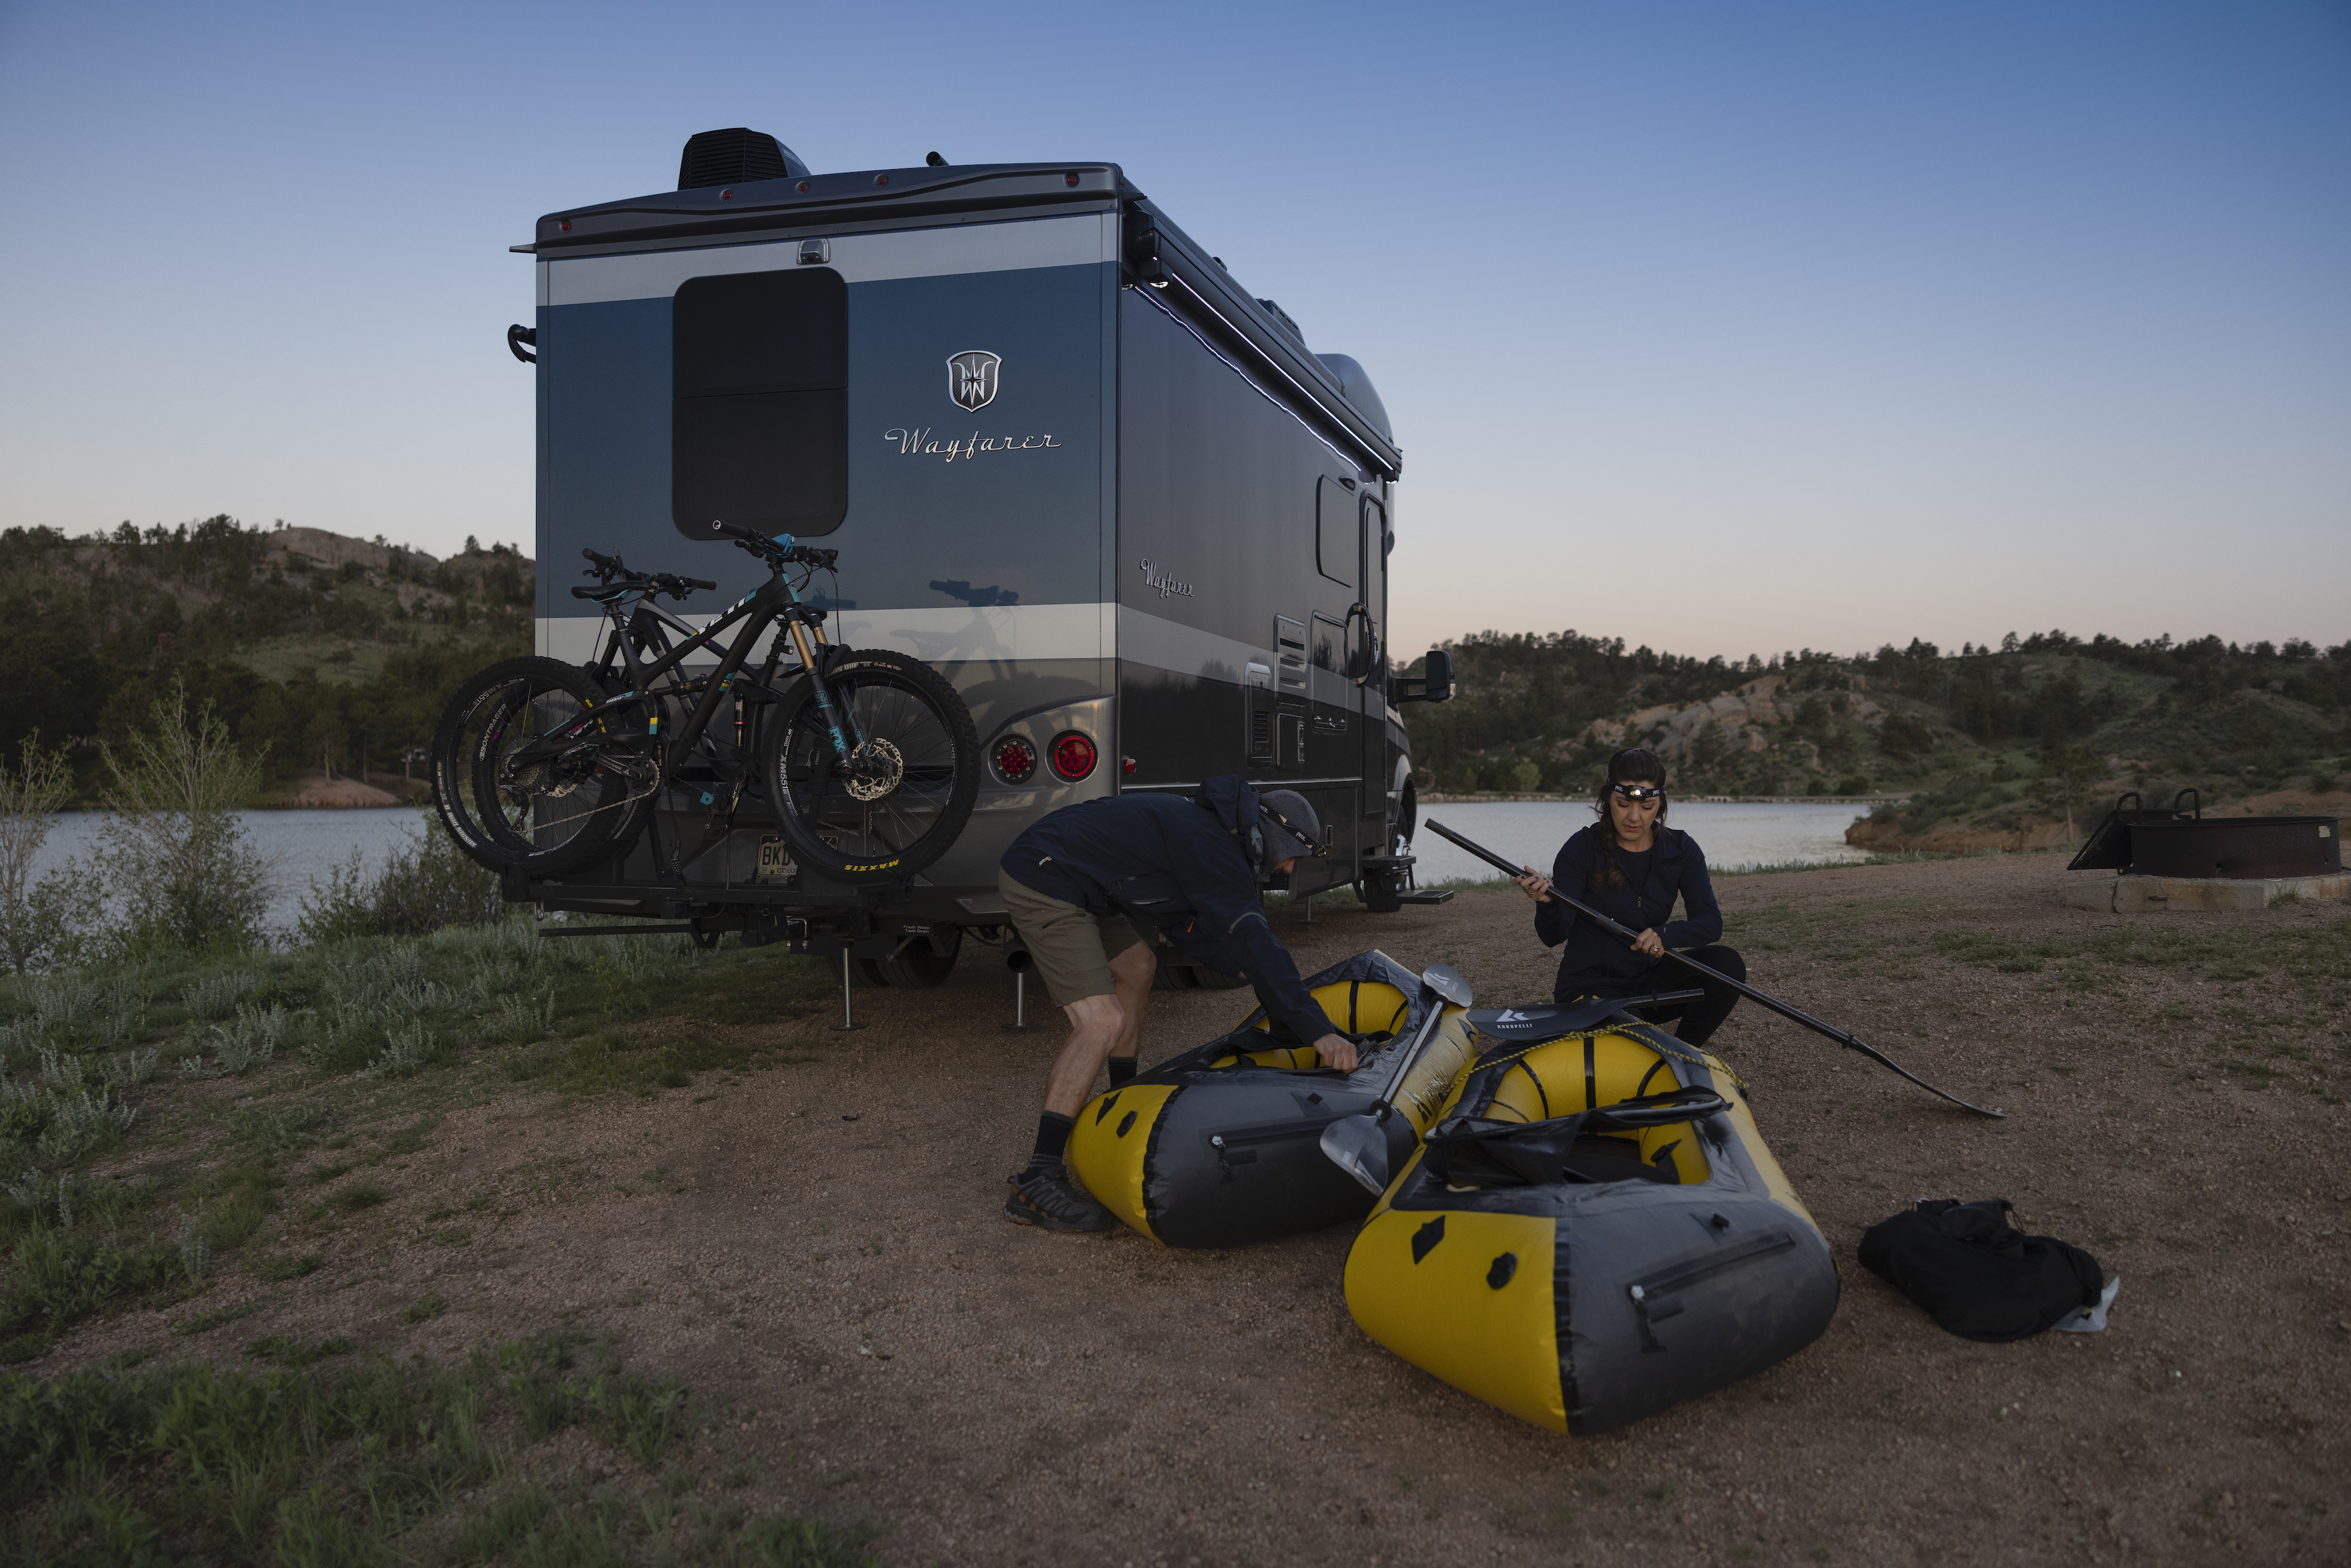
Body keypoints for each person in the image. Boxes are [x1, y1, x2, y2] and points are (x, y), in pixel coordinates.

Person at [996, 777, 1358, 1231]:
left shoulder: (1213, 837)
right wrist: (1319, 1031)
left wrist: (1261, 986)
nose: (1288, 872)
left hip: (1084, 879)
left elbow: (1191, 926)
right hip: (1044, 875)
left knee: (1139, 966)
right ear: (1275, 837)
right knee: (1101, 1022)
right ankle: (1038, 1176)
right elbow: (1254, 936)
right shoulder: (1213, 844)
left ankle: (1118, 1097)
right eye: (1293, 858)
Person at [1511, 747, 1746, 1045]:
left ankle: (1686, 1054)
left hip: (1648, 986)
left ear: (1659, 804)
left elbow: (1711, 923)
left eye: (1647, 808)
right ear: (1609, 799)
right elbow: (1554, 935)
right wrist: (1546, 903)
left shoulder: (1682, 849)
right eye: (1623, 804)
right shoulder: (1581, 848)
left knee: (1727, 965)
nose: (1634, 818)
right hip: (1589, 989)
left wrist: (1665, 935)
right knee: (1626, 1036)